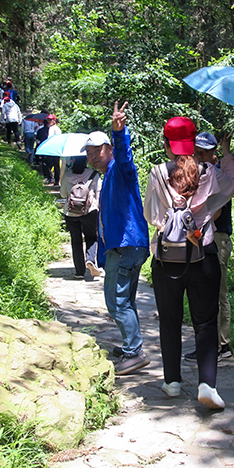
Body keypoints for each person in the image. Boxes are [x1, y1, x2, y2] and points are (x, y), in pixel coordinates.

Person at [143, 117, 234, 409]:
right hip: (203, 256)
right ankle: (207, 384)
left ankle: (172, 382)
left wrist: (169, 220)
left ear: (166, 144)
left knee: (169, 321)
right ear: (193, 142)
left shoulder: (158, 173)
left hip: (166, 259)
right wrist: (226, 156)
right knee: (205, 323)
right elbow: (231, 187)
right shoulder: (209, 172)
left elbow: (151, 215)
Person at [84, 101, 151, 376]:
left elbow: (125, 157)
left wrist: (119, 132)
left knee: (116, 301)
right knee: (127, 300)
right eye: (89, 153)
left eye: (97, 151)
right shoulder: (108, 176)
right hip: (129, 246)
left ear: (109, 149)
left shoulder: (120, 170)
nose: (93, 157)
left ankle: (134, 353)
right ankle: (130, 345)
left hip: (126, 245)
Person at [185, 131, 233, 361]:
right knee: (204, 294)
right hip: (207, 239)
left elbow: (216, 213)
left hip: (218, 239)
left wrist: (193, 228)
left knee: (218, 294)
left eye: (203, 153)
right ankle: (209, 344)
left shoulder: (218, 175)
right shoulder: (204, 173)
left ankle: (222, 346)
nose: (198, 156)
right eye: (196, 152)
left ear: (214, 153)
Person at [59, 155, 102, 280]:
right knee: (91, 237)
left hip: (71, 212)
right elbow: (99, 194)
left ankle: (79, 271)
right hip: (89, 211)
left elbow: (63, 194)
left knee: (76, 240)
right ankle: (90, 260)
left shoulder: (67, 174)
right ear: (86, 160)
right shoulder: (94, 174)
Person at [43, 115, 62, 185]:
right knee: (48, 164)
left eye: (51, 120)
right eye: (49, 120)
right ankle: (51, 178)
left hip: (54, 148)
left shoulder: (56, 128)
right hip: (51, 148)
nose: (49, 121)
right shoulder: (50, 128)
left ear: (54, 120)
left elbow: (57, 138)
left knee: (55, 165)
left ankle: (55, 180)